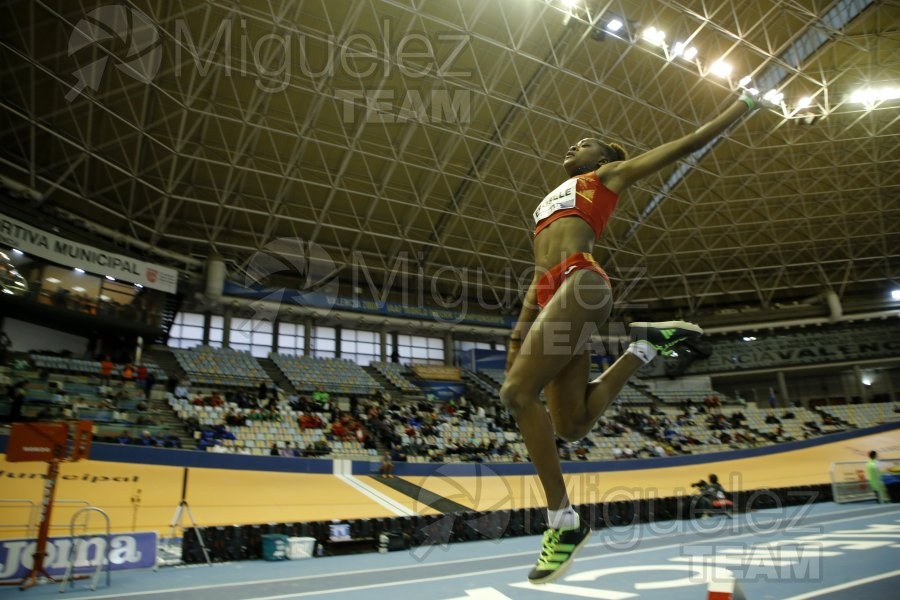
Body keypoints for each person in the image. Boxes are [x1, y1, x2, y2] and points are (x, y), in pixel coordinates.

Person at [501, 92, 759, 583]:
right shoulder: (546, 204)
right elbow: (540, 270)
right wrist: (520, 326)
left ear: (604, 158)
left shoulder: (607, 177)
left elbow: (690, 142)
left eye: (583, 143)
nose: (572, 147)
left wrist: (743, 104)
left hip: (584, 282)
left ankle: (562, 523)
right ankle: (646, 346)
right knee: (571, 425)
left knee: (515, 392)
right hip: (554, 292)